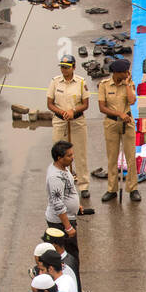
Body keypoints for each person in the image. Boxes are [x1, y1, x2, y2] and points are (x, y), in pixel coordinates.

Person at [47, 55, 90, 202]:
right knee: (59, 155)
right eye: (62, 67)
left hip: (77, 121)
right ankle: (63, 184)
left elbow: (85, 104)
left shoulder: (80, 82)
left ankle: (83, 186)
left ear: (73, 67)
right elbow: (50, 104)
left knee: (80, 153)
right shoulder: (55, 82)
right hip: (60, 121)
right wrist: (62, 112)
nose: (64, 70)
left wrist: (73, 111)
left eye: (67, 67)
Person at [97, 58, 140, 203]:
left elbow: (132, 100)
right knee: (112, 158)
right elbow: (102, 107)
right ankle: (112, 189)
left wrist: (127, 84)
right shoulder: (104, 85)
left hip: (127, 123)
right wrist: (118, 114)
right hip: (111, 123)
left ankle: (133, 188)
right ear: (117, 73)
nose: (128, 73)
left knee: (130, 157)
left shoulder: (128, 83)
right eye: (125, 72)